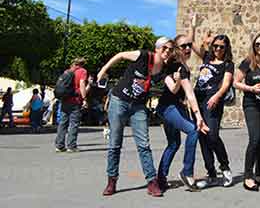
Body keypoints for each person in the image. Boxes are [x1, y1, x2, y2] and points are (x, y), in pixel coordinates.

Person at [96, 37, 172, 197]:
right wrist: (103, 70)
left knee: (144, 144)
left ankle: (152, 182)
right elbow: (121, 55)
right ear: (157, 48)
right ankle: (112, 181)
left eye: (170, 49)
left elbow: (172, 84)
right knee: (114, 144)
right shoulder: (144, 56)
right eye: (164, 48)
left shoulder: (163, 68)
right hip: (119, 101)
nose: (167, 52)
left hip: (138, 106)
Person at [156, 35, 209, 192]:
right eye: (183, 46)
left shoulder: (177, 65)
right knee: (193, 130)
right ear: (176, 50)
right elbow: (188, 92)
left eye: (189, 45)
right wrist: (198, 116)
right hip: (169, 108)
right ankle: (187, 173)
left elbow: (182, 93)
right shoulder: (178, 67)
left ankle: (160, 179)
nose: (187, 48)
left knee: (173, 144)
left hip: (170, 107)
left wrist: (192, 28)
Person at [233, 33, 260, 191]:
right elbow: (236, 82)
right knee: (255, 138)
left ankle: (258, 174)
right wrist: (251, 88)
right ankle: (248, 176)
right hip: (252, 104)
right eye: (257, 44)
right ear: (254, 46)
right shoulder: (248, 63)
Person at [194, 34, 235, 189]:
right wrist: (193, 27)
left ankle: (224, 167)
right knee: (202, 137)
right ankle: (211, 173)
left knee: (212, 135)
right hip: (198, 100)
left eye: (221, 47)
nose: (218, 49)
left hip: (213, 101)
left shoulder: (227, 64)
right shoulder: (206, 58)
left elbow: (226, 83)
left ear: (226, 48)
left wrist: (217, 96)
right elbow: (191, 44)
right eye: (215, 46)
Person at [55, 58, 88, 153]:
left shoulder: (67, 71)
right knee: (74, 123)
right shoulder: (82, 71)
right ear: (82, 64)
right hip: (75, 100)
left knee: (63, 122)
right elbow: (82, 85)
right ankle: (71, 146)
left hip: (65, 99)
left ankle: (59, 145)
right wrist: (84, 98)